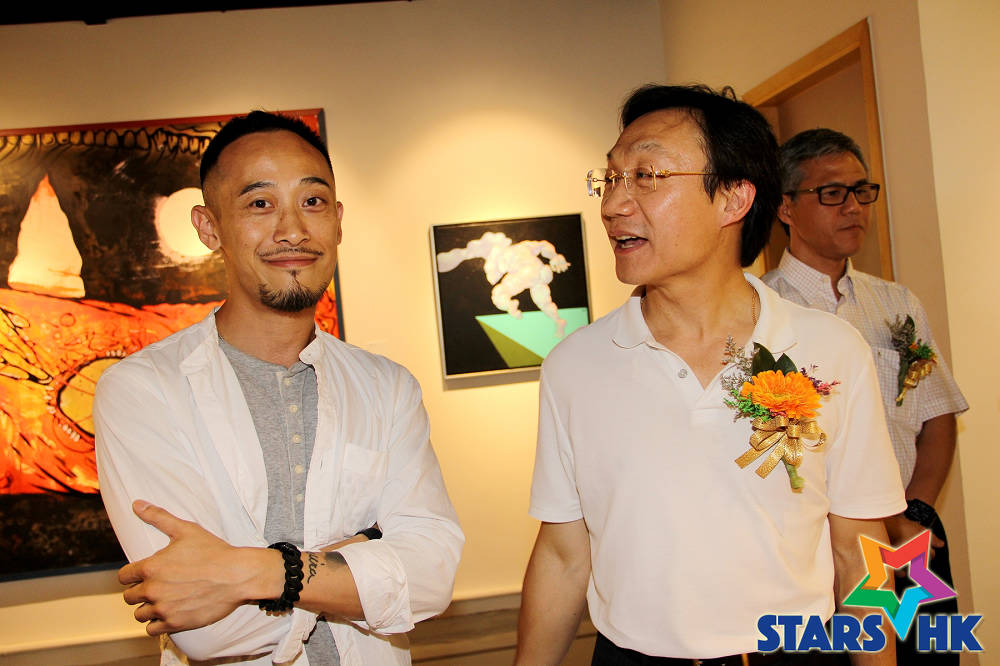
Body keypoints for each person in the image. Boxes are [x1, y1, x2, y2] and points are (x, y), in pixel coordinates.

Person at [515, 85, 905, 665]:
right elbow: (563, 555)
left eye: (647, 175)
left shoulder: (831, 350)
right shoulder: (576, 365)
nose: (613, 204)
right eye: (611, 178)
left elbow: (860, 550)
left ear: (733, 198)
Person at [94, 111, 464, 666]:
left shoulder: (387, 387)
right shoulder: (143, 390)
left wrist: (257, 572)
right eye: (260, 203)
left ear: (338, 221)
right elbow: (209, 632)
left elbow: (431, 580)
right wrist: (363, 551)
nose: (293, 229)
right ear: (209, 227)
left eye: (312, 201)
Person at [762, 128, 968, 664]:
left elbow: (937, 413)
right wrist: (875, 524)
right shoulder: (762, 312)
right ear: (786, 207)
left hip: (911, 540)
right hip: (816, 552)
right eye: (832, 193)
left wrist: (914, 511)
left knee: (929, 656)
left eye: (861, 191)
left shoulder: (896, 302)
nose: (853, 206)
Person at [436, 230, 571, 337]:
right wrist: (554, 256)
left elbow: (493, 275)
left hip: (527, 272)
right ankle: (558, 321)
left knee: (499, 293)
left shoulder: (499, 256)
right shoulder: (520, 246)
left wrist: (555, 257)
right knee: (543, 302)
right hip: (539, 273)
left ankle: (512, 307)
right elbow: (543, 245)